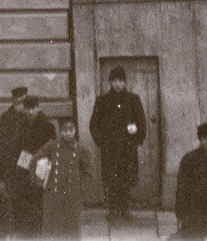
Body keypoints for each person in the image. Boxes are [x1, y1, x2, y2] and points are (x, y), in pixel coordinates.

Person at [89, 66, 146, 222]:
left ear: (125, 82)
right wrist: (102, 142)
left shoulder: (133, 100)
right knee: (111, 178)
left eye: (120, 81)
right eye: (114, 81)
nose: (117, 84)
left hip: (128, 149)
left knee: (126, 178)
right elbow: (94, 125)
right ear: (110, 82)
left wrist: (136, 141)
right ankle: (113, 209)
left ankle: (126, 209)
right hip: (110, 149)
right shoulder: (103, 101)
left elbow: (141, 123)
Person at [9, 94, 56, 238]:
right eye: (28, 109)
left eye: (33, 108)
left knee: (38, 194)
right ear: (24, 109)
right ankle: (27, 227)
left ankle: (39, 227)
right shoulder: (20, 124)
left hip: (40, 162)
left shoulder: (46, 125)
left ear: (38, 108)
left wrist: (43, 160)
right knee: (24, 193)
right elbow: (16, 144)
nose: (30, 112)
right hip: (24, 162)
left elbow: (51, 146)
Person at [40, 119, 92, 240]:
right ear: (60, 131)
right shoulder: (52, 147)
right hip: (54, 194)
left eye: (71, 130)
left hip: (72, 195)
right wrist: (40, 180)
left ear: (75, 131)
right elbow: (36, 161)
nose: (68, 133)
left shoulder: (81, 149)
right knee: (54, 228)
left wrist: (81, 190)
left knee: (72, 227)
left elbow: (88, 172)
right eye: (65, 130)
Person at [0, 87, 30, 189]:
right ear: (13, 100)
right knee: (11, 189)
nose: (20, 101)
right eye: (17, 98)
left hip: (27, 157)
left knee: (26, 187)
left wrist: (25, 161)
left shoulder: (32, 117)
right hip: (9, 160)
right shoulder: (6, 117)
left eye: (23, 99)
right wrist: (6, 159)